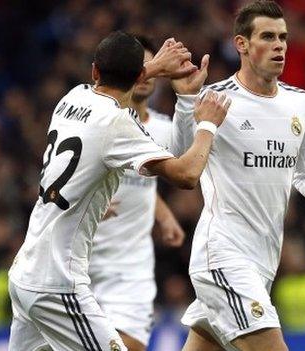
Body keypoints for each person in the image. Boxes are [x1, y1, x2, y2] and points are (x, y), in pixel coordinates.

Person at [7, 31, 230, 351]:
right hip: (58, 284)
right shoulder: (117, 124)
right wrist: (207, 124)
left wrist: (154, 69)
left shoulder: (73, 96)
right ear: (139, 76)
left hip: (25, 272)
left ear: (95, 71)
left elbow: (119, 86)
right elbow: (186, 175)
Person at [170, 2, 305, 350]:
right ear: (241, 44)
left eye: (283, 38)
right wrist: (186, 101)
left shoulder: (300, 103)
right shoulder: (217, 99)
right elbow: (182, 162)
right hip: (224, 254)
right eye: (268, 37)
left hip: (263, 261)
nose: (280, 46)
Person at [88, 35, 186, 351]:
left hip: (131, 268)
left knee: (131, 345)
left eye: (150, 64)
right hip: (82, 258)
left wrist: (164, 213)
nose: (145, 72)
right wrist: (85, 200)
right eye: (138, 66)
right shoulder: (100, 121)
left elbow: (150, 177)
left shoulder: (164, 130)